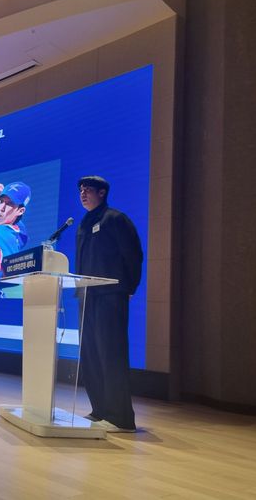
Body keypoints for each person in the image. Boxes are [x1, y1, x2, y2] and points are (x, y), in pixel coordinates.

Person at [75, 175, 143, 433]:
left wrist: (129, 287)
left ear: (102, 193)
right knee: (91, 355)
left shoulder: (115, 219)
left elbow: (133, 255)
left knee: (110, 353)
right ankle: (100, 410)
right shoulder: (84, 223)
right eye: (81, 190)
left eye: (88, 189)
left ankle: (120, 418)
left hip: (110, 295)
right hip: (87, 295)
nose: (82, 194)